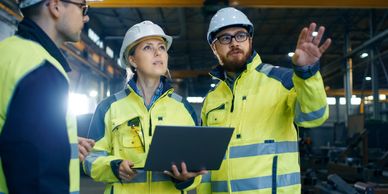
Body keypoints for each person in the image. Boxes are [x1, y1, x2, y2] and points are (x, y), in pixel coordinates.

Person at [198, 7, 331, 194]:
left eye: (241, 35)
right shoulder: (211, 100)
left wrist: (306, 74)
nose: (234, 43)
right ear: (214, 47)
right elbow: (206, 165)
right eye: (225, 38)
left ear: (250, 40)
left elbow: (314, 116)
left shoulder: (282, 80)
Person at [83, 20, 206, 194]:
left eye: (162, 47)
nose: (158, 53)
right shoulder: (108, 108)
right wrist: (114, 167)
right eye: (148, 47)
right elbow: (90, 159)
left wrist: (186, 178)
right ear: (132, 59)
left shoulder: (183, 108)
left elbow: (197, 166)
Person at [0, 0, 94, 193]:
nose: (86, 16)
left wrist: (57, 138)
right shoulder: (41, 68)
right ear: (56, 6)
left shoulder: (8, 52)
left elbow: (17, 133)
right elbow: (38, 175)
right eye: (82, 7)